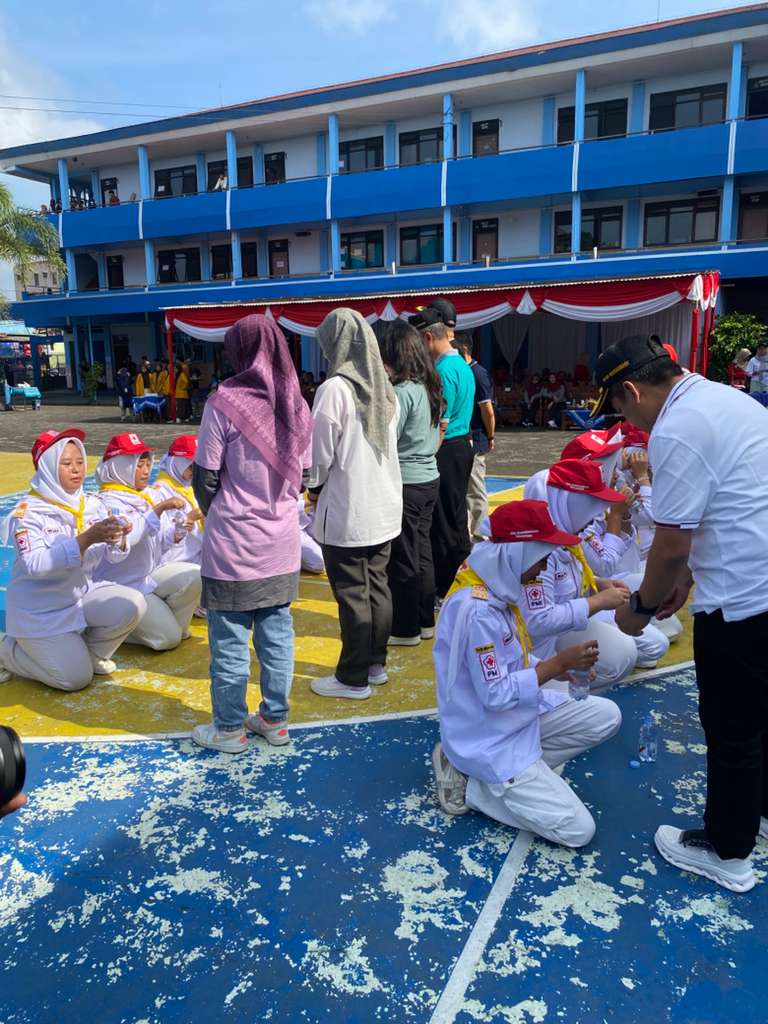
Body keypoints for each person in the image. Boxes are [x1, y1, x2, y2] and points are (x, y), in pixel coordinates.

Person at [591, 335, 768, 893]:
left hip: (741, 603)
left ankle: (729, 852)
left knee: (732, 728)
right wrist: (685, 581)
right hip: (759, 582)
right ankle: (757, 814)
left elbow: (670, 544)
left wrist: (639, 610)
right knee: (762, 719)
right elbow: (726, 506)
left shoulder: (675, 429)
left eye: (620, 407)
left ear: (631, 389)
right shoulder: (728, 400)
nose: (628, 420)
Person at [432, 499, 622, 844]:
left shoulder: (497, 587)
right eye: (541, 557)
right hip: (488, 738)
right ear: (518, 553)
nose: (543, 568)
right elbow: (495, 694)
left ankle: (523, 781)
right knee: (578, 831)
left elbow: (511, 658)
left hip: (515, 720)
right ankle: (474, 783)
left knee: (605, 716)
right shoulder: (479, 611)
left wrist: (554, 670)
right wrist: (556, 665)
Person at [191, 315, 313, 752]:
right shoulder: (296, 405)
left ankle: (228, 729)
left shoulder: (223, 402)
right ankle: (275, 720)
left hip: (233, 546)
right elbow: (308, 472)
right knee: (277, 634)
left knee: (229, 640)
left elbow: (205, 477)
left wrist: (224, 514)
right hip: (281, 543)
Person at [0, 429, 146, 691]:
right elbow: (35, 564)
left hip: (78, 597)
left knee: (132, 604)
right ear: (46, 468)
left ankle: (90, 656)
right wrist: (87, 538)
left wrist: (118, 538)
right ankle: (6, 649)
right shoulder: (28, 512)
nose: (76, 470)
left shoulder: (91, 504)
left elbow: (114, 557)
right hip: (41, 611)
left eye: (80, 462)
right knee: (73, 680)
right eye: (66, 464)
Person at [308, 308, 402, 699]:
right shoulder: (384, 388)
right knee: (377, 586)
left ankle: (352, 677)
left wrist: (312, 486)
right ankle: (375, 663)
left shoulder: (335, 389)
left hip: (348, 508)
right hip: (383, 505)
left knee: (351, 593)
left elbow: (320, 453)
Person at [522, 459, 638, 690]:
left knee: (632, 649)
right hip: (534, 652)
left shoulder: (570, 533)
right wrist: (596, 602)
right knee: (605, 711)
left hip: (551, 641)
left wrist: (595, 585)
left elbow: (562, 587)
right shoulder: (538, 549)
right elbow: (537, 619)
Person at [93, 433, 202, 651]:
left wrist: (178, 530)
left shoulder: (140, 497)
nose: (145, 471)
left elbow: (160, 542)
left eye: (147, 463)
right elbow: (126, 541)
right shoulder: (106, 502)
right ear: (119, 468)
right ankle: (110, 630)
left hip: (146, 576)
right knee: (167, 640)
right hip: (123, 585)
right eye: (137, 465)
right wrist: (159, 510)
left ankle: (159, 621)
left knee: (195, 576)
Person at [378, 319, 441, 646]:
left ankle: (405, 629)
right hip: (428, 477)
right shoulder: (428, 387)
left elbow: (388, 438)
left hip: (406, 481)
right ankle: (424, 620)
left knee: (403, 557)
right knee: (422, 552)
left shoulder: (401, 393)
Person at [411, 299, 475, 604]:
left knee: (444, 523)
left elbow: (441, 423)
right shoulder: (460, 364)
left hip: (447, 449)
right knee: (454, 516)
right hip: (460, 447)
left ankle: (445, 585)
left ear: (427, 337)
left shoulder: (443, 370)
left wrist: (425, 457)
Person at [453, 333, 495, 546]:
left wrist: (490, 435)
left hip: (475, 438)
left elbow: (487, 409)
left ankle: (480, 536)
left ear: (464, 349)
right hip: (462, 439)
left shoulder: (477, 374)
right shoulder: (462, 371)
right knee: (462, 490)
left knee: (475, 490)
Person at [151, 435, 204, 568]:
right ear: (178, 463)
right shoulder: (160, 492)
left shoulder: (189, 487)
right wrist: (188, 520)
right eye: (191, 466)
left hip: (196, 558)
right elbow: (160, 540)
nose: (196, 471)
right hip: (173, 564)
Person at [298, 492, 324, 574]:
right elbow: (283, 507)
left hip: (305, 520)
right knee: (318, 564)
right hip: (288, 528)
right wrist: (312, 499)